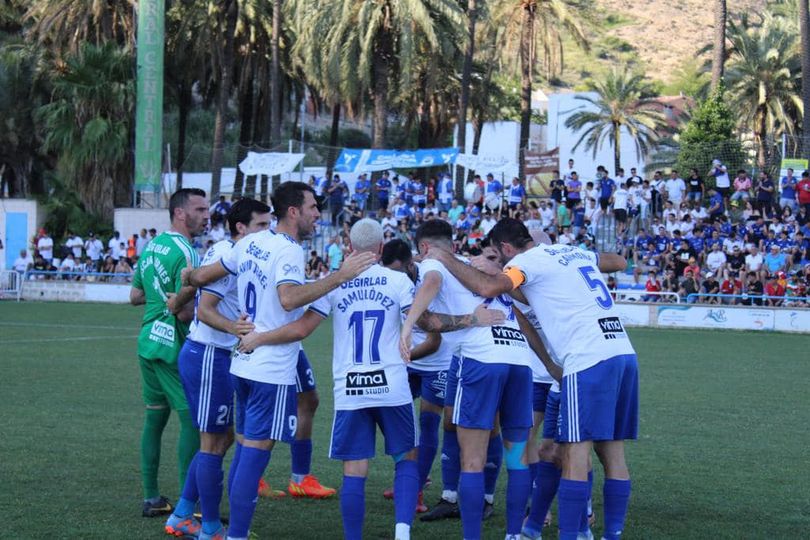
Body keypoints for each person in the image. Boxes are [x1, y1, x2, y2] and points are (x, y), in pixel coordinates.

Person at [184, 182, 376, 540]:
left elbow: (205, 276)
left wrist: (190, 276)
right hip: (269, 369)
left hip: (243, 362)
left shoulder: (251, 242)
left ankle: (227, 530)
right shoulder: (288, 250)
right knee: (255, 454)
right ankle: (236, 534)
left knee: (246, 448)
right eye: (313, 207)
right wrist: (340, 276)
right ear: (293, 211)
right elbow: (288, 299)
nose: (318, 214)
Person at [426, 218, 636, 540]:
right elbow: (618, 261)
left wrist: (445, 257)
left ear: (506, 248)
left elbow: (489, 288)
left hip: (587, 357)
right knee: (612, 453)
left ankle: (572, 533)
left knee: (574, 454)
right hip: (622, 351)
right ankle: (609, 534)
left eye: (500, 256)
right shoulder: (569, 252)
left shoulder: (526, 263)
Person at [400, 220, 560, 540]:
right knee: (518, 457)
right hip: (518, 362)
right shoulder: (482, 267)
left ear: (424, 247)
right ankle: (514, 535)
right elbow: (520, 319)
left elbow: (431, 280)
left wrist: (408, 325)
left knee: (472, 460)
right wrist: (547, 363)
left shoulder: (436, 261)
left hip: (482, 360)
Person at [160, 199, 269, 538]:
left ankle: (182, 513)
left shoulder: (237, 254)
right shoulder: (229, 255)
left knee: (222, 438)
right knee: (212, 443)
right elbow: (204, 309)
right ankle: (208, 527)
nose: (267, 232)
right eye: (261, 226)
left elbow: (194, 286)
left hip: (218, 356)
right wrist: (235, 329)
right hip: (209, 355)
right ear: (241, 228)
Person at [129, 188, 209, 518]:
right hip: (171, 346)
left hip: (147, 342)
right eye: (199, 209)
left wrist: (159, 297)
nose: (206, 215)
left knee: (155, 418)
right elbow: (185, 312)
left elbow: (135, 296)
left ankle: (152, 498)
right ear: (179, 213)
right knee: (193, 422)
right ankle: (190, 506)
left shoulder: (152, 246)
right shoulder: (186, 252)